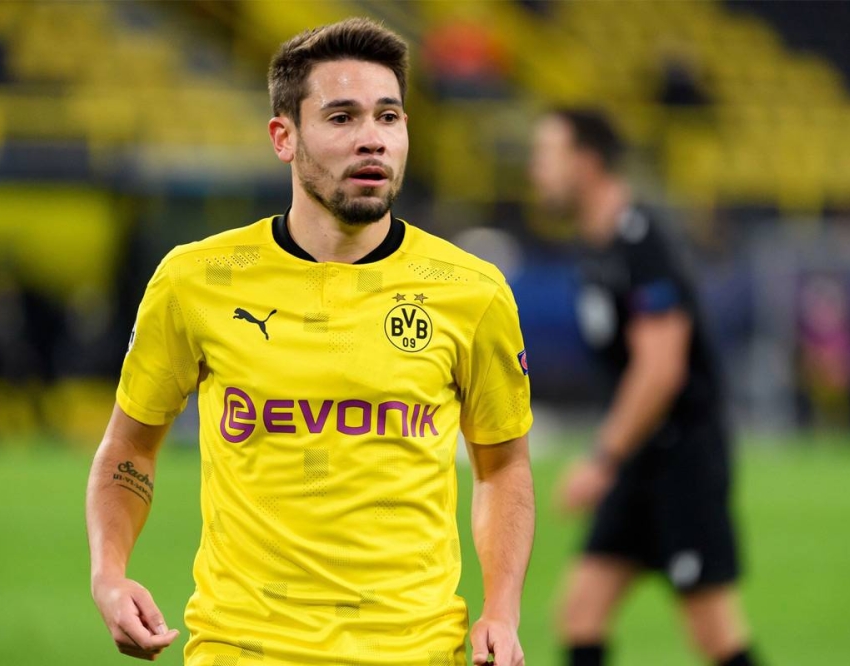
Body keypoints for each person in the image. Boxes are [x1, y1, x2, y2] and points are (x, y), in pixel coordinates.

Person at [86, 18, 534, 666]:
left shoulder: (472, 291)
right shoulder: (195, 281)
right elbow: (129, 448)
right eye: (342, 117)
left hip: (415, 652)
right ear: (284, 136)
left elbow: (503, 466)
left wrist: (501, 611)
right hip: (242, 650)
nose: (372, 139)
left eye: (388, 117)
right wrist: (110, 574)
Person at [528, 109, 757, 666]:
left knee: (714, 631)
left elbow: (661, 368)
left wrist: (602, 459)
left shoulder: (642, 241)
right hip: (640, 460)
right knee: (581, 612)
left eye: (547, 155)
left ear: (586, 162)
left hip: (681, 459)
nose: (536, 170)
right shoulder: (598, 244)